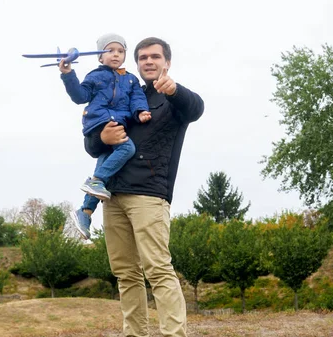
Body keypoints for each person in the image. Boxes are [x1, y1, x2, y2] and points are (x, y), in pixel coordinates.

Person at [84, 37, 204, 337]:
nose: (148, 62)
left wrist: (174, 90)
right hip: (111, 196)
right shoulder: (125, 93)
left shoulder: (172, 100)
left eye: (155, 57)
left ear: (167, 62)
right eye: (142, 58)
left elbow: (196, 108)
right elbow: (92, 144)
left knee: (158, 270)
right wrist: (102, 140)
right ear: (136, 63)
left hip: (150, 194)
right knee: (125, 274)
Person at [59, 33, 151, 240]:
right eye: (110, 50)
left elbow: (137, 98)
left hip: (119, 122)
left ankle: (85, 212)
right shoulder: (95, 76)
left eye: (120, 51)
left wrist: (140, 112)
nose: (116, 55)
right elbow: (79, 96)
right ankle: (96, 181)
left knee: (104, 165)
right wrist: (68, 74)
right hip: (98, 121)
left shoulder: (131, 79)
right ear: (100, 57)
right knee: (127, 148)